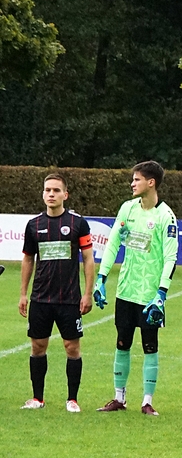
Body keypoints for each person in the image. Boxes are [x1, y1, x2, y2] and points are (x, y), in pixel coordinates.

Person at [93, 161, 178, 416]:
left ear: (151, 182)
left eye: (137, 179)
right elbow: (112, 244)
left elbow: (171, 258)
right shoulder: (127, 209)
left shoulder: (166, 216)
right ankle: (119, 397)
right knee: (122, 343)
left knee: (150, 345)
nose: (132, 183)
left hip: (150, 295)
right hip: (126, 291)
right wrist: (101, 278)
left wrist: (161, 293)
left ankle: (147, 401)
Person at [19, 173, 95, 411]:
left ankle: (72, 399)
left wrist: (88, 293)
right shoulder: (33, 225)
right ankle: (37, 398)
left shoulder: (78, 223)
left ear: (65, 194)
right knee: (37, 347)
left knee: (72, 347)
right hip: (40, 298)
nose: (51, 194)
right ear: (43, 194)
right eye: (47, 190)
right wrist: (23, 294)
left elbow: (88, 259)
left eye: (56, 190)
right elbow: (28, 259)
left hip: (69, 299)